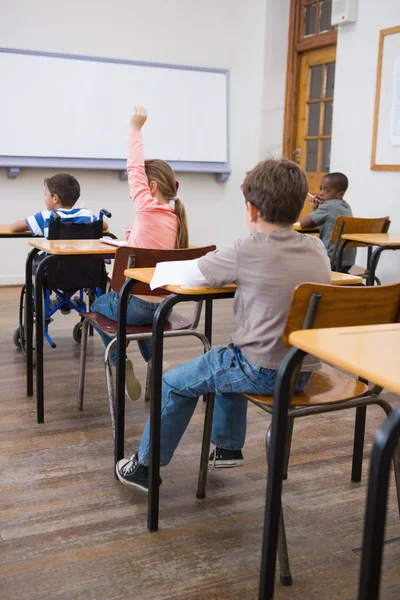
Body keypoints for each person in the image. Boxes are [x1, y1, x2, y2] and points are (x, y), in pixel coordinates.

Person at [115, 156, 332, 492]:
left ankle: (144, 467)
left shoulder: (247, 249)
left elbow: (192, 272)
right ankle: (228, 447)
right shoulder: (316, 247)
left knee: (173, 382)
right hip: (302, 369)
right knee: (224, 358)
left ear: (251, 210)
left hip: (261, 370)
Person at [90, 105, 189, 401]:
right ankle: (154, 364)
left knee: (98, 305)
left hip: (136, 306)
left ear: (152, 187)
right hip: (164, 305)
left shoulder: (146, 207)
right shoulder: (176, 218)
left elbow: (134, 168)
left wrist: (136, 128)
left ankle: (120, 361)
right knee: (144, 319)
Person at [10, 173, 103, 237]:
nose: (45, 197)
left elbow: (14, 227)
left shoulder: (46, 216)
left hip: (54, 265)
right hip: (85, 265)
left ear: (55, 198)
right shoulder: (86, 214)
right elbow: (104, 225)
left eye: (45, 194)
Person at [300, 172, 355, 272]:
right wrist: (316, 209)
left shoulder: (328, 206)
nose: (321, 193)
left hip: (331, 261)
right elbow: (316, 222)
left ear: (339, 194)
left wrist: (316, 209)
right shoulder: (346, 206)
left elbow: (304, 224)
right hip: (347, 262)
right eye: (321, 188)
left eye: (326, 190)